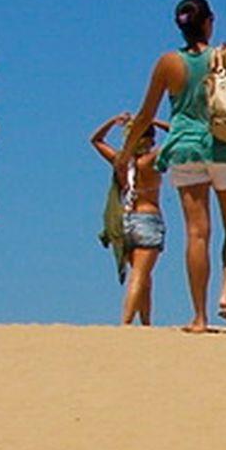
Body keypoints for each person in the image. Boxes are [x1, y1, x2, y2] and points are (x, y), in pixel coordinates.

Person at [125, 0, 226, 333]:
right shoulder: (223, 55)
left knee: (197, 233)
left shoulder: (168, 63)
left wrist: (126, 152)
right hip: (223, 145)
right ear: (210, 21)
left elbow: (145, 114)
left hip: (184, 149)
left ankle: (199, 316)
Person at [90, 112, 165, 327]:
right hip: (148, 219)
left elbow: (96, 140)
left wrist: (112, 121)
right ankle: (126, 322)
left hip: (126, 219)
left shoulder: (121, 161)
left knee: (144, 276)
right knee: (140, 275)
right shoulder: (150, 160)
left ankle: (146, 322)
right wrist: (153, 120)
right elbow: (178, 134)